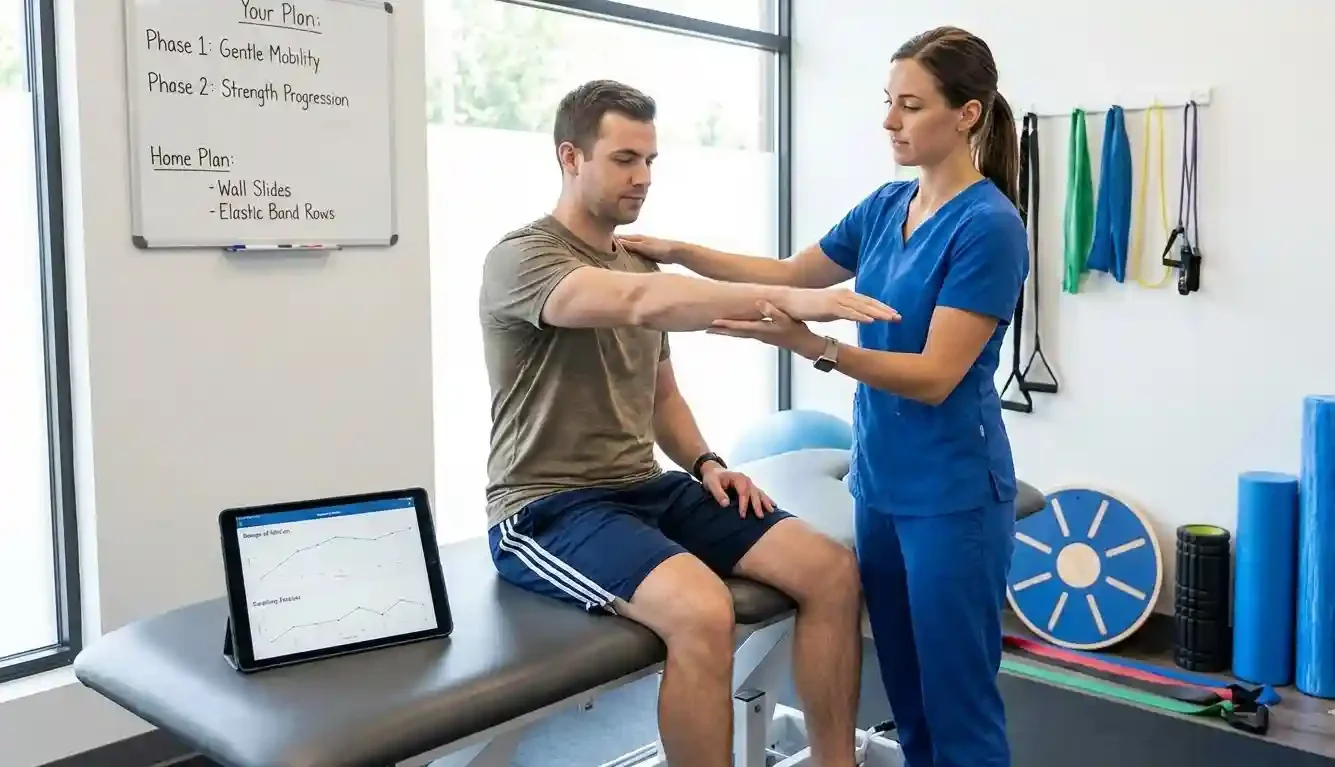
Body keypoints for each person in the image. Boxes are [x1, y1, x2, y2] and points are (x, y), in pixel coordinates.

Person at [621, 27, 1029, 767]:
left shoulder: (990, 227)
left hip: (953, 495)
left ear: (966, 115)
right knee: (907, 697)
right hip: (879, 485)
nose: (888, 122)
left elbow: (936, 374)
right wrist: (679, 253)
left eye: (909, 106)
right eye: (887, 103)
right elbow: (788, 270)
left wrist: (814, 347)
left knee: (958, 705)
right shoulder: (885, 206)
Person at [479, 79, 896, 767]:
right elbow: (641, 302)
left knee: (829, 569)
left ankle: (833, 760)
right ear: (570, 157)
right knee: (703, 610)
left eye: (649, 160)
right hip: (546, 506)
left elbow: (660, 394)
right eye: (622, 159)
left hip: (645, 485)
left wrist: (705, 462)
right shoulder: (525, 259)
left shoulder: (634, 258)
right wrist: (786, 295)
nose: (641, 177)